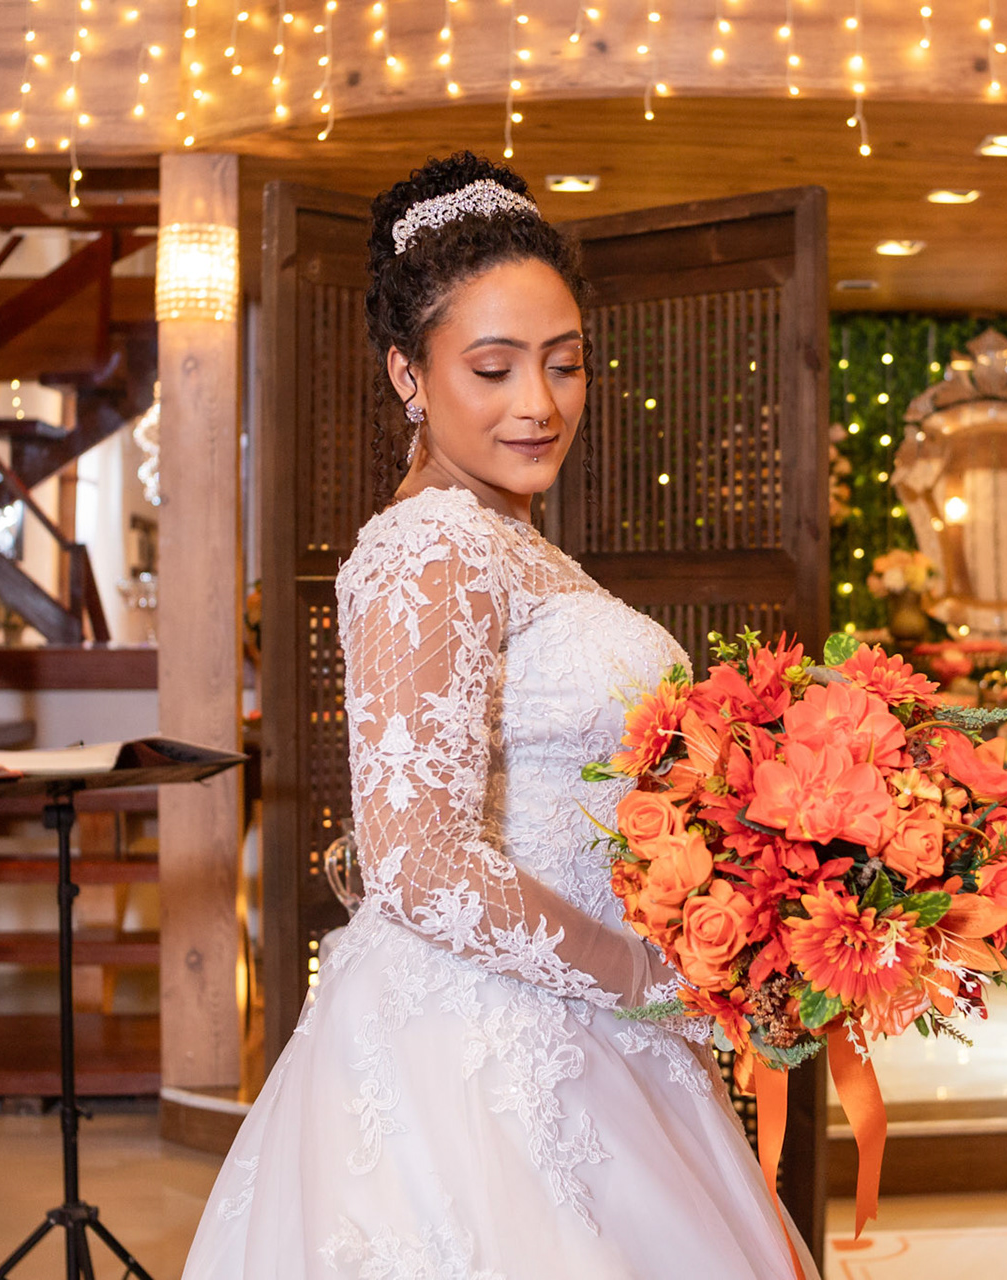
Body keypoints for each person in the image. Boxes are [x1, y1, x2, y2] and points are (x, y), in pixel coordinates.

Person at [182, 152, 814, 1278]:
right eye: (494, 367)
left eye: (564, 364)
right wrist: (647, 977)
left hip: (587, 1021)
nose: (540, 403)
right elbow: (418, 863)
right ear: (408, 374)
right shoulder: (432, 544)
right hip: (483, 1050)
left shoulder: (514, 541)